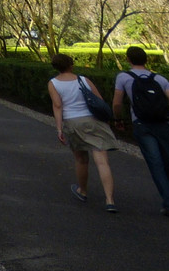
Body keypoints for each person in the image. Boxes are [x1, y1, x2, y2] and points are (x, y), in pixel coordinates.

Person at [114, 46, 169, 218]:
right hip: (163, 124)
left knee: (155, 164)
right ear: (146, 60)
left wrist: (118, 119)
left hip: (142, 124)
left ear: (128, 60)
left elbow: (117, 103)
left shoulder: (123, 77)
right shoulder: (160, 79)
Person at [47, 53, 118, 211]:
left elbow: (57, 106)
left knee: (81, 159)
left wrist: (59, 128)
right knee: (102, 161)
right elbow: (99, 99)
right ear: (71, 64)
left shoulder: (53, 83)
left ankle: (83, 190)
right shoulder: (84, 80)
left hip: (73, 123)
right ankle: (110, 200)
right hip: (93, 121)